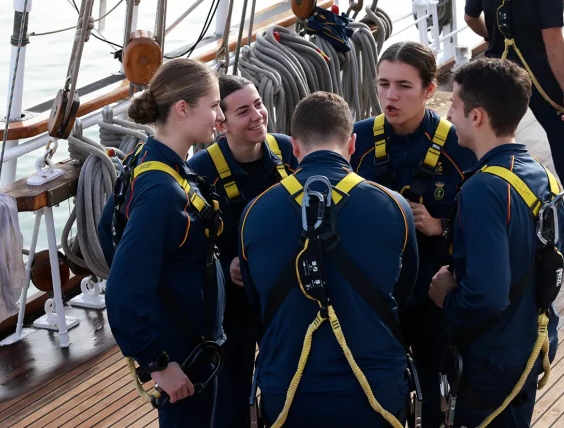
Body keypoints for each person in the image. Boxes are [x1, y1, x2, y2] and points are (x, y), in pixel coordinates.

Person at [239, 92, 419, 427]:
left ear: (294, 147)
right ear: (352, 144)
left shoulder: (254, 212)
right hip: (374, 392)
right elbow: (404, 290)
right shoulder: (394, 206)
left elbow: (256, 301)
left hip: (289, 391)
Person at [430, 58, 564, 427]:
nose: (449, 117)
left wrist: (447, 297)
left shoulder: (484, 189)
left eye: (454, 108)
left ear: (476, 117)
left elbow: (488, 296)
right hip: (530, 342)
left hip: (494, 357)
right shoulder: (543, 175)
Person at [349, 40, 477, 426]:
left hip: (430, 296)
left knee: (433, 386)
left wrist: (442, 227)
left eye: (404, 86)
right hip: (372, 297)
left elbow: (484, 225)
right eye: (383, 84)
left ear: (428, 89)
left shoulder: (460, 146)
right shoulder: (356, 142)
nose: (390, 96)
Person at [98, 58, 226, 427]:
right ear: (183, 109)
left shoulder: (150, 159)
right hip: (182, 356)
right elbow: (122, 291)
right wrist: (158, 363)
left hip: (190, 342)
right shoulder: (161, 191)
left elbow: (110, 228)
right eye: (214, 105)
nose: (220, 115)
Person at [187, 74, 297, 428]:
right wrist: (224, 262)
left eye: (259, 104)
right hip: (232, 309)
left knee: (290, 381)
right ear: (222, 123)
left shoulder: (287, 151)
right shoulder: (200, 171)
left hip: (285, 295)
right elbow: (188, 244)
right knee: (230, 394)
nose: (257, 116)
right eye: (243, 111)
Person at [464, 0, 564, 223]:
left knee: (486, 133)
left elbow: (470, 18)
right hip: (537, 71)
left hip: (497, 67)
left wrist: (492, 37)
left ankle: (480, 198)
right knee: (560, 129)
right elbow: (552, 39)